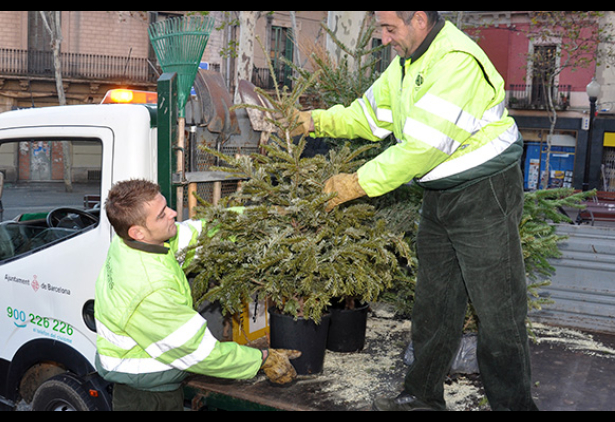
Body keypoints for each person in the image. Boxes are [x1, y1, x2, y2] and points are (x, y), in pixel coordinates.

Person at [296, 11, 537, 411]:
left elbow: (423, 147)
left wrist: (357, 183)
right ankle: (421, 397)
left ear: (419, 19)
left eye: (391, 29)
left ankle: (514, 406)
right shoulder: (406, 64)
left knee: (499, 312)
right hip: (441, 192)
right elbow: (369, 117)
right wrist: (313, 121)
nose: (385, 38)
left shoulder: (456, 60)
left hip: (483, 192)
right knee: (434, 303)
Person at [94, 179, 300, 411]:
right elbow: (198, 352)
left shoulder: (130, 243)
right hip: (144, 395)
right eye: (162, 215)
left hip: (152, 381)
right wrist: (262, 359)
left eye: (166, 207)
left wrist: (264, 217)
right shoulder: (148, 288)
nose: (173, 213)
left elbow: (199, 234)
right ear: (138, 231)